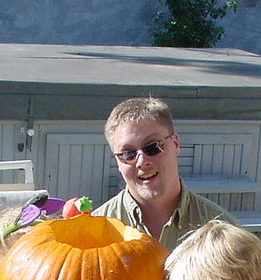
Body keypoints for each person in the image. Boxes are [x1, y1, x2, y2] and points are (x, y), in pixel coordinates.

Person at [93, 96, 238, 251]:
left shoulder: (224, 233)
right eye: (128, 153)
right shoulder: (94, 232)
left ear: (175, 143)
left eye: (153, 147)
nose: (142, 161)